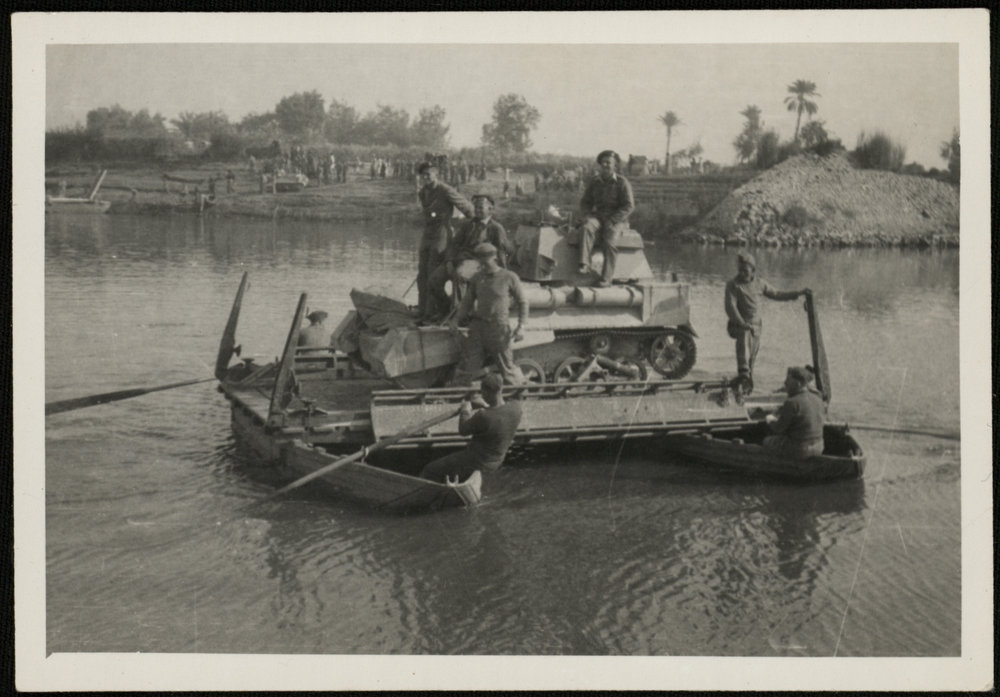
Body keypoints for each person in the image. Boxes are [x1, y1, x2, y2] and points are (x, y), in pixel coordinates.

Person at [724, 251, 809, 393]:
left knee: (751, 359)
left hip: (756, 326)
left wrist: (797, 293)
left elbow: (776, 294)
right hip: (739, 325)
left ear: (753, 271)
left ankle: (747, 388)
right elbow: (730, 306)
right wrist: (740, 322)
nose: (742, 273)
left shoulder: (760, 284)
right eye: (740, 270)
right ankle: (743, 376)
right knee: (743, 354)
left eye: (745, 270)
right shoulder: (733, 285)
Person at [448, 242, 528, 386]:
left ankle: (521, 391)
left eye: (484, 259)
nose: (481, 263)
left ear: (493, 257)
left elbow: (523, 302)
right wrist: (455, 320)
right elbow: (466, 303)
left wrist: (521, 326)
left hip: (498, 327)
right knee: (468, 364)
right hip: (478, 327)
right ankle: (458, 394)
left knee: (506, 366)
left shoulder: (509, 277)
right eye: (479, 259)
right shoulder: (477, 278)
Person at [419, 373, 522, 483]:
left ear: (486, 392)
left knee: (430, 469)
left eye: (482, 393)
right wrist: (487, 406)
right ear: (501, 389)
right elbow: (498, 415)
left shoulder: (484, 416)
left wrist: (465, 410)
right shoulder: (516, 408)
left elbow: (463, 430)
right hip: (496, 461)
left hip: (476, 461)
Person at [426, 193, 510, 320]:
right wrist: (449, 261)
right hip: (459, 259)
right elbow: (454, 245)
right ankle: (445, 309)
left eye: (481, 208)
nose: (477, 211)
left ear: (490, 209)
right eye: (475, 208)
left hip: (479, 263)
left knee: (460, 275)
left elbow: (501, 252)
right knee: (434, 280)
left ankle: (458, 317)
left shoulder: (496, 229)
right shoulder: (467, 225)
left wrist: (502, 273)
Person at [416, 161, 475, 321]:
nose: (426, 177)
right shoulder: (423, 192)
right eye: (423, 175)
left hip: (442, 233)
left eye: (429, 174)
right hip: (428, 233)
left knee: (432, 271)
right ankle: (422, 309)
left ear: (436, 174)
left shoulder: (446, 190)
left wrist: (471, 228)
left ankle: (431, 311)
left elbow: (469, 209)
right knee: (421, 273)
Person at [578, 150, 635, 287]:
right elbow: (585, 202)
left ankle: (606, 278)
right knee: (586, 228)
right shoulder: (595, 182)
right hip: (598, 216)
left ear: (615, 166)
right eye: (603, 162)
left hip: (617, 219)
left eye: (608, 162)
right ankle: (584, 263)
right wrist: (587, 215)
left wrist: (613, 220)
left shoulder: (622, 182)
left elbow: (629, 206)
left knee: (610, 241)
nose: (605, 165)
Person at [763, 366, 825, 457]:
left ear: (798, 384)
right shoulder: (818, 399)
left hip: (801, 450)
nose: (785, 383)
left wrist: (770, 420)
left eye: (788, 380)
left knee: (767, 441)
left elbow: (779, 429)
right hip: (819, 447)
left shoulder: (792, 402)